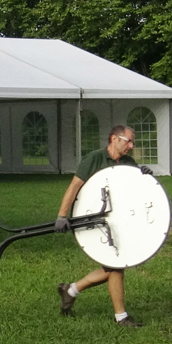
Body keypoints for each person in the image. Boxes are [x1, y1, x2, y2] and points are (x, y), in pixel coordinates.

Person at [54, 125, 145, 327]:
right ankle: (121, 317)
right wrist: (62, 215)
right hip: (92, 219)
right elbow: (74, 186)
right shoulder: (94, 159)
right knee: (116, 266)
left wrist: (144, 176)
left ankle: (71, 290)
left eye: (133, 142)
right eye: (128, 140)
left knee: (114, 266)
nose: (131, 145)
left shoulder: (129, 163)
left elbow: (136, 190)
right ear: (114, 138)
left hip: (116, 220)